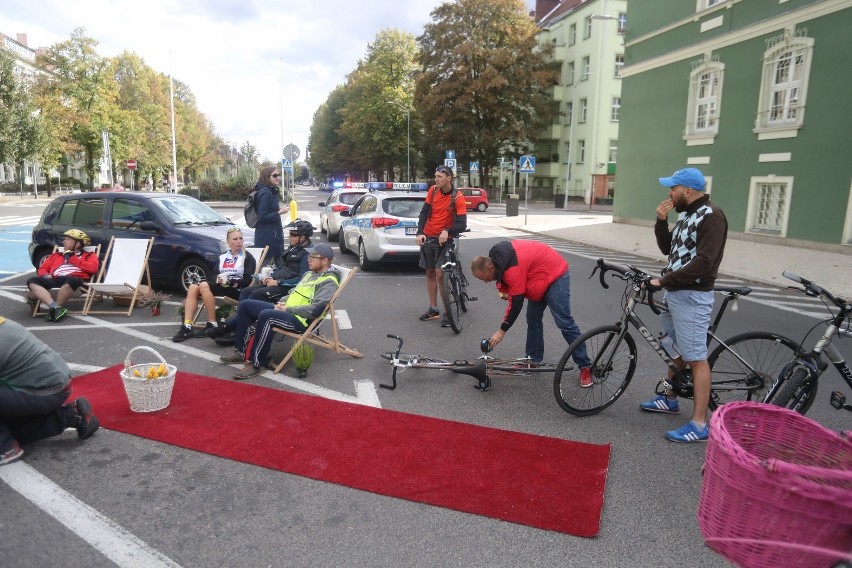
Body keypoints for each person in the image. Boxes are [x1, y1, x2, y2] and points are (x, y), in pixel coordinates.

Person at [641, 167, 728, 444]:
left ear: (687, 190)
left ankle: (700, 424)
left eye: (673, 188)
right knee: (674, 347)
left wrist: (664, 280)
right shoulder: (687, 215)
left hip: (692, 295)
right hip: (676, 292)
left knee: (696, 358)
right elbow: (669, 249)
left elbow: (704, 262)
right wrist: (660, 221)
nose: (669, 193)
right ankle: (669, 398)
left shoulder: (711, 216)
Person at [470, 240, 591, 386]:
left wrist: (502, 331)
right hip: (537, 278)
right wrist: (505, 290)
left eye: (483, 278)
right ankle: (532, 360)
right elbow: (506, 280)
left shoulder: (512, 267)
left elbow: (516, 303)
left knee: (564, 322)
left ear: (490, 268)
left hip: (555, 274)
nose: (484, 282)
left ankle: (585, 366)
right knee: (533, 319)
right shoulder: (499, 259)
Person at [219, 243, 340, 380]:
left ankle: (257, 364)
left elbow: (316, 310)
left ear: (324, 261)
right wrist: (282, 302)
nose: (308, 259)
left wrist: (288, 309)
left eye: (313, 257)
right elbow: (293, 293)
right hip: (286, 311)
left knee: (267, 316)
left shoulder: (329, 281)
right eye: (309, 256)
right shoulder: (309, 274)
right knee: (246, 305)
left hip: (300, 320)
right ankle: (241, 351)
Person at [0, 316, 100, 466]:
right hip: (54, 385)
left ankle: (6, 447)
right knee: (9, 426)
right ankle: (71, 415)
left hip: (43, 390)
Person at [208, 220, 313, 345]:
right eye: (290, 234)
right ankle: (238, 327)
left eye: (293, 235)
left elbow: (303, 279)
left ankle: (232, 330)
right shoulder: (293, 248)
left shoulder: (307, 254)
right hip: (275, 282)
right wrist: (269, 276)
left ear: (304, 237)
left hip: (286, 289)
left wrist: (278, 282)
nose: (290, 237)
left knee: (256, 295)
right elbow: (282, 268)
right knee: (246, 291)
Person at [172, 227, 257, 342]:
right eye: (235, 239)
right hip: (221, 287)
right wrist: (219, 279)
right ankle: (187, 327)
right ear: (228, 242)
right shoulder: (223, 257)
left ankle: (212, 323)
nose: (239, 241)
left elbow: (247, 281)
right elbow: (213, 275)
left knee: (203, 285)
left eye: (241, 238)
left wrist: (230, 281)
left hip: (236, 290)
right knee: (193, 287)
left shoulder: (247, 257)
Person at [415, 165, 467, 327]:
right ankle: (433, 309)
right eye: (435, 176)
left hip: (446, 241)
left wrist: (447, 231)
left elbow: (462, 224)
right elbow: (424, 212)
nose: (436, 179)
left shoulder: (458, 197)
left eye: (440, 177)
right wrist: (420, 232)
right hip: (429, 238)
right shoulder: (433, 191)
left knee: (439, 273)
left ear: (449, 179)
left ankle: (448, 312)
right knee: (429, 272)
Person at [27, 229, 99, 323]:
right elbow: (43, 268)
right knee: (32, 281)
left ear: (77, 244)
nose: (64, 241)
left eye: (68, 239)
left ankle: (56, 308)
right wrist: (44, 274)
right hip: (55, 279)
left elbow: (93, 268)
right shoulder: (56, 255)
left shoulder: (89, 255)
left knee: (72, 280)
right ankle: (55, 307)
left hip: (75, 280)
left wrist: (73, 258)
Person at [252, 166, 290, 267]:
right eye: (275, 175)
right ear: (266, 177)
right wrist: (279, 212)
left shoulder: (270, 191)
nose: (278, 177)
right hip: (268, 237)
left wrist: (277, 210)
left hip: (271, 235)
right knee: (264, 268)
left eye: (278, 175)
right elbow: (262, 216)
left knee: (279, 266)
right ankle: (258, 283)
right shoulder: (266, 193)